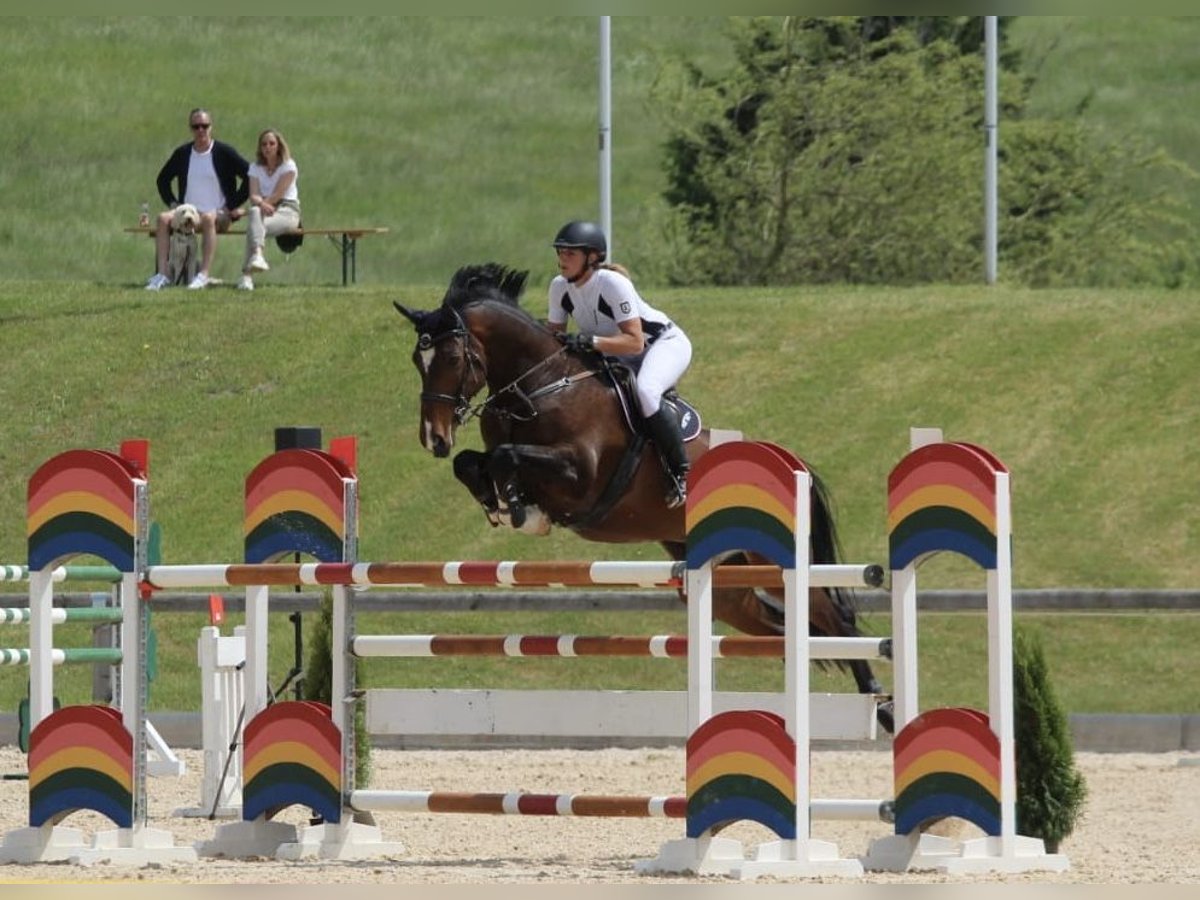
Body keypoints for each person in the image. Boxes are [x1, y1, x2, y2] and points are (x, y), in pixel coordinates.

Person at [548, 220, 694, 508]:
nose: (562, 259)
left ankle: (680, 472)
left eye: (570, 253)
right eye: (560, 252)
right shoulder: (559, 288)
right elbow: (554, 338)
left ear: (592, 257)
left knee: (647, 391)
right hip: (616, 353)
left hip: (662, 345)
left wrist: (591, 342)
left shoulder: (612, 284)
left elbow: (634, 342)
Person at [145, 108, 250, 291]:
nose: (201, 130)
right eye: (196, 126)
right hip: (187, 213)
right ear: (191, 129)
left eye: (204, 126)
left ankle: (203, 274)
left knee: (209, 218)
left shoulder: (224, 152)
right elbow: (162, 180)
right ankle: (162, 275)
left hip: (217, 215)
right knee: (163, 219)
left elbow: (250, 176)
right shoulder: (183, 154)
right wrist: (173, 204)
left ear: (211, 127)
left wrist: (231, 205)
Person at [237, 128, 302, 291]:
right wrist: (261, 205)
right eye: (264, 144)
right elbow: (253, 195)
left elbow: (278, 194)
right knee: (254, 216)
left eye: (272, 143)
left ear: (279, 146)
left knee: (254, 225)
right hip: (263, 210)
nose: (268, 147)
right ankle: (258, 256)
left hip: (287, 210)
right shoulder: (255, 167)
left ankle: (246, 276)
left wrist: (262, 204)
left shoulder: (289, 166)